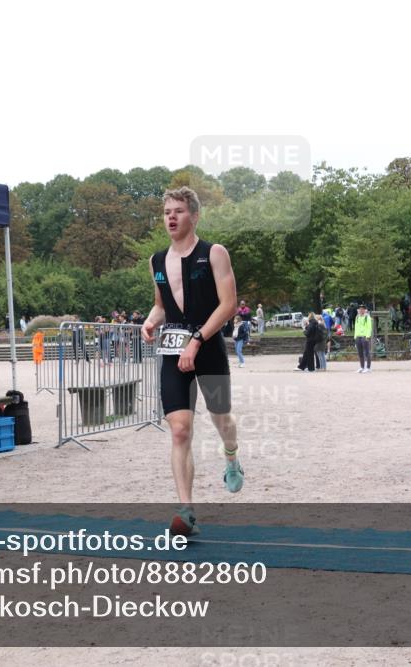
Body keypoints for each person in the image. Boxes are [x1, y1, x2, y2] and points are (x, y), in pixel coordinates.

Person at [141, 186, 242, 537]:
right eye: (167, 211)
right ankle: (186, 511)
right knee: (180, 429)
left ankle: (231, 455)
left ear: (194, 216)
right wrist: (152, 320)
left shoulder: (214, 253)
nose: (171, 216)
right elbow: (161, 303)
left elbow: (228, 304)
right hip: (173, 350)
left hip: (208, 345)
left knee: (221, 419)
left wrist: (198, 340)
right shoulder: (156, 261)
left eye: (179, 211)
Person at [353, 303, 372, 373]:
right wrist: (355, 336)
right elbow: (356, 327)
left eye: (362, 309)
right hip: (358, 336)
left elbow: (369, 327)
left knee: (367, 352)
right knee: (360, 353)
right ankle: (362, 367)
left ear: (365, 310)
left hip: (364, 336)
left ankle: (368, 367)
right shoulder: (357, 317)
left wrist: (367, 336)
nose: (361, 310)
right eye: (360, 309)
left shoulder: (367, 317)